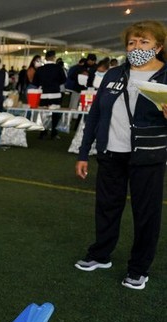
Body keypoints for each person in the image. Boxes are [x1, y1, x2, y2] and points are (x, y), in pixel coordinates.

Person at [75, 20, 167, 290]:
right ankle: (100, 254)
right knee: (106, 207)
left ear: (158, 46)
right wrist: (84, 152)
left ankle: (138, 269)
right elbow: (95, 116)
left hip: (148, 157)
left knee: (146, 214)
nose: (136, 47)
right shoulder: (114, 74)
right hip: (111, 153)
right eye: (132, 42)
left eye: (144, 42)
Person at [33, 50, 67, 139]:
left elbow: (35, 82)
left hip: (43, 94)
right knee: (56, 114)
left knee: (43, 114)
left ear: (46, 58)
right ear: (54, 57)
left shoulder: (40, 69)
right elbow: (63, 80)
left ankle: (43, 132)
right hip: (55, 93)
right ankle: (54, 133)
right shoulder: (58, 68)